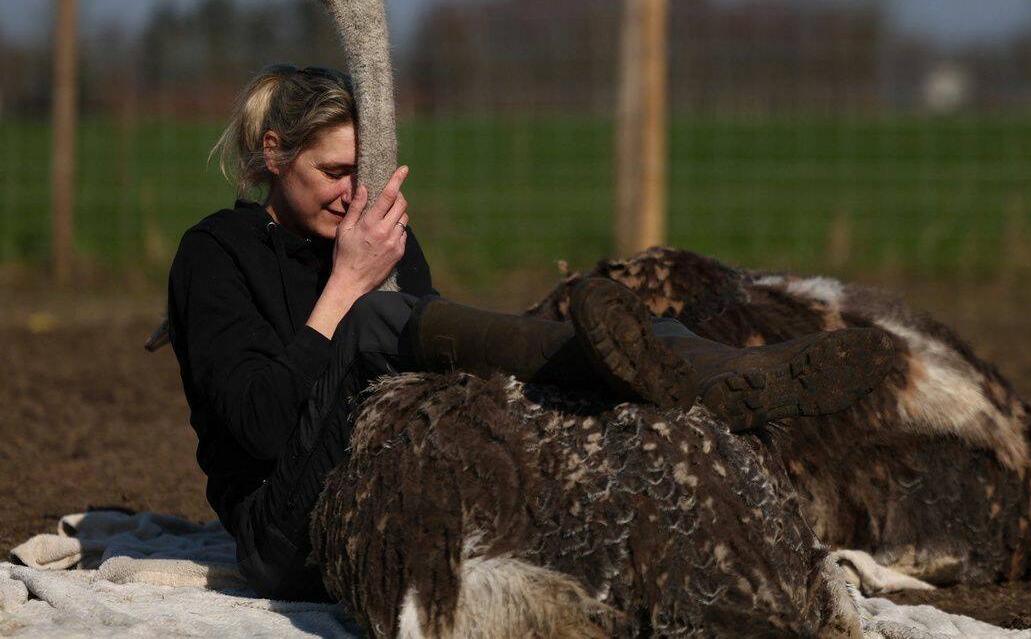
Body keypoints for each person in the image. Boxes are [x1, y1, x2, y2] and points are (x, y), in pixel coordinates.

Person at [168, 64, 899, 601]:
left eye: (364, 174)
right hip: (282, 537)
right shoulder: (216, 257)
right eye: (334, 172)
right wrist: (344, 288)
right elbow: (262, 427)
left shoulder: (373, 238)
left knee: (450, 347)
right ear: (273, 154)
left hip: (384, 501)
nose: (351, 194)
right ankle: (638, 359)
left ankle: (698, 364)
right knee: (375, 322)